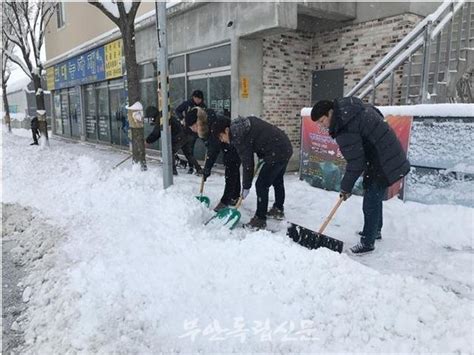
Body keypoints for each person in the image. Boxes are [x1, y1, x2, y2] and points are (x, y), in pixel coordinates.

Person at [311, 97, 410, 255]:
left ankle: (368, 243)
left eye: (322, 121)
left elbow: (355, 162)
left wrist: (345, 188)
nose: (322, 126)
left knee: (371, 200)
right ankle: (374, 231)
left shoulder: (344, 126)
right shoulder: (351, 109)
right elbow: (376, 114)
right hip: (386, 154)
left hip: (384, 160)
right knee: (375, 196)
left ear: (330, 112)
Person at [211, 116, 293, 230]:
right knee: (277, 179)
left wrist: (246, 186)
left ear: (226, 130)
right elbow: (261, 137)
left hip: (277, 152)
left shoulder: (238, 137)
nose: (221, 140)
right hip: (284, 146)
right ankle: (278, 209)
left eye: (221, 136)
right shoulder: (243, 126)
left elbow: (248, 164)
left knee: (261, 185)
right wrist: (262, 153)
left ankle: (260, 219)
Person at [185, 107, 241, 212]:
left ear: (196, 123)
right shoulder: (205, 123)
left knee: (231, 171)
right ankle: (234, 196)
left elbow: (214, 150)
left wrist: (207, 169)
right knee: (233, 170)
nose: (192, 130)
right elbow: (211, 146)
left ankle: (226, 201)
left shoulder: (212, 124)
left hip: (234, 144)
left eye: (192, 126)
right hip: (227, 145)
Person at [144, 106, 202, 176]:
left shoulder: (161, 119)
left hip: (178, 137)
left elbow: (156, 133)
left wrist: (147, 141)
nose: (151, 120)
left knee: (169, 151)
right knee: (188, 154)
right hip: (184, 135)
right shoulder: (164, 116)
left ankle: (172, 171)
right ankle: (199, 169)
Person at [175, 90, 206, 174]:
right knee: (187, 149)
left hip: (197, 131)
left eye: (199, 99)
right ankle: (193, 167)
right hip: (186, 130)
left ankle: (193, 167)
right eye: (196, 98)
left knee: (189, 149)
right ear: (193, 97)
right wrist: (182, 118)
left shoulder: (203, 107)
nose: (198, 100)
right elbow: (177, 110)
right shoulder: (187, 104)